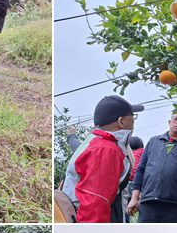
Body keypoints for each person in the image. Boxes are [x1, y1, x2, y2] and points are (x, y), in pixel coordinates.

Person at [61, 95, 144, 223]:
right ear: (121, 121)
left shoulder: (98, 142)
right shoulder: (106, 150)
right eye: (132, 116)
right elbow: (95, 202)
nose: (134, 121)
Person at [127, 110, 177, 223]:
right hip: (148, 201)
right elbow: (141, 170)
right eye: (175, 119)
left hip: (174, 204)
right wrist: (134, 198)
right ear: (169, 122)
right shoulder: (154, 141)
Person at [122, 136, 145, 222]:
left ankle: (126, 224)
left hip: (128, 183)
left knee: (125, 209)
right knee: (142, 209)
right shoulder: (144, 152)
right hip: (140, 185)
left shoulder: (129, 154)